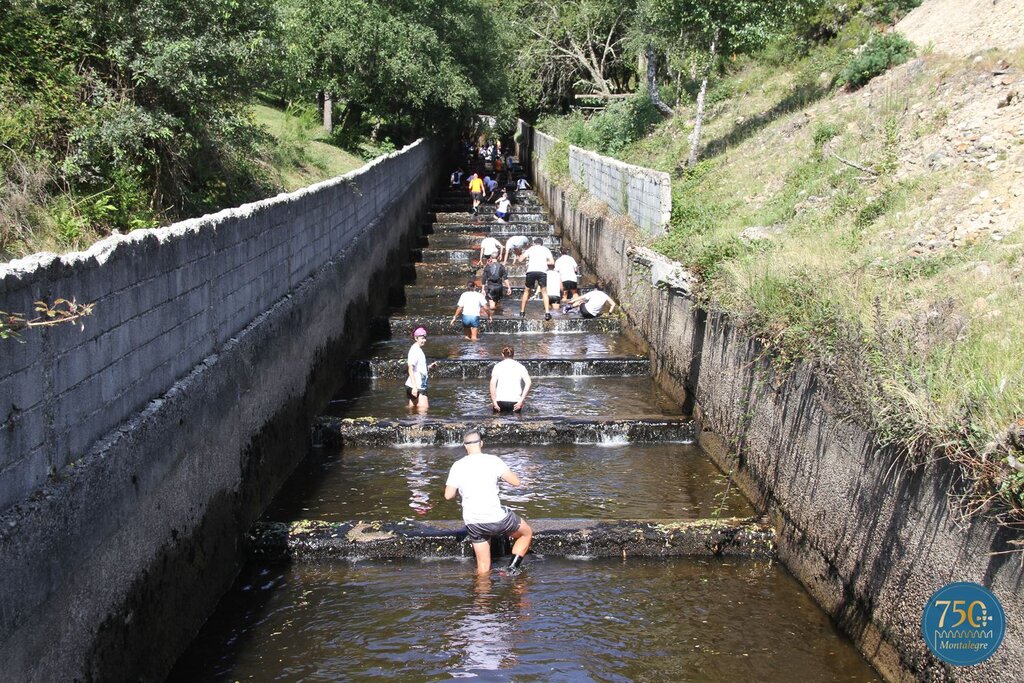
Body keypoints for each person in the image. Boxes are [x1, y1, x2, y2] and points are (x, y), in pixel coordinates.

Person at [445, 430, 533, 576]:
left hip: (474, 522)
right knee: (526, 533)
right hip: (497, 518)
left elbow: (448, 496)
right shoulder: (493, 460)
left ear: (465, 446)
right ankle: (512, 568)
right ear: (481, 443)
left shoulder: (457, 466)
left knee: (483, 568)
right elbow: (516, 482)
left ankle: (482, 597)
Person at [517, 237, 554, 318]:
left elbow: (520, 259)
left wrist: (519, 254)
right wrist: (544, 262)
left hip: (531, 271)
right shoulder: (546, 249)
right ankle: (547, 313)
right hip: (542, 272)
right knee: (544, 292)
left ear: (534, 243)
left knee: (526, 291)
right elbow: (552, 262)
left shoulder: (531, 249)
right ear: (542, 243)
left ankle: (522, 312)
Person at [490, 346, 531, 413]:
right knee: (516, 421)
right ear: (513, 354)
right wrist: (521, 400)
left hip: (500, 400)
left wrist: (494, 402)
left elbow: (492, 384)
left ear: (502, 354)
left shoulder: (497, 366)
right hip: (515, 401)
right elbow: (528, 382)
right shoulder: (520, 366)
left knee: (497, 421)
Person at [406, 327, 437, 410]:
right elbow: (410, 369)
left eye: (425, 338)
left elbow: (418, 368)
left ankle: (408, 422)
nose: (425, 340)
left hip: (413, 385)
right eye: (422, 338)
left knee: (412, 409)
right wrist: (415, 388)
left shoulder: (417, 349)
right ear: (416, 338)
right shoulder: (415, 350)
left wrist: (429, 367)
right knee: (424, 410)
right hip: (418, 386)